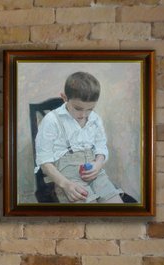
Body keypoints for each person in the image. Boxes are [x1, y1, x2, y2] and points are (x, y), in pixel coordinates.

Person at [35, 71, 123, 203]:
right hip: (68, 179)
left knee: (115, 205)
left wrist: (98, 163)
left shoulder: (95, 119)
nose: (84, 115)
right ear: (64, 98)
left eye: (90, 109)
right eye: (78, 108)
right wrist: (65, 184)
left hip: (95, 173)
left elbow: (101, 147)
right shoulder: (51, 120)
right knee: (89, 211)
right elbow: (44, 162)